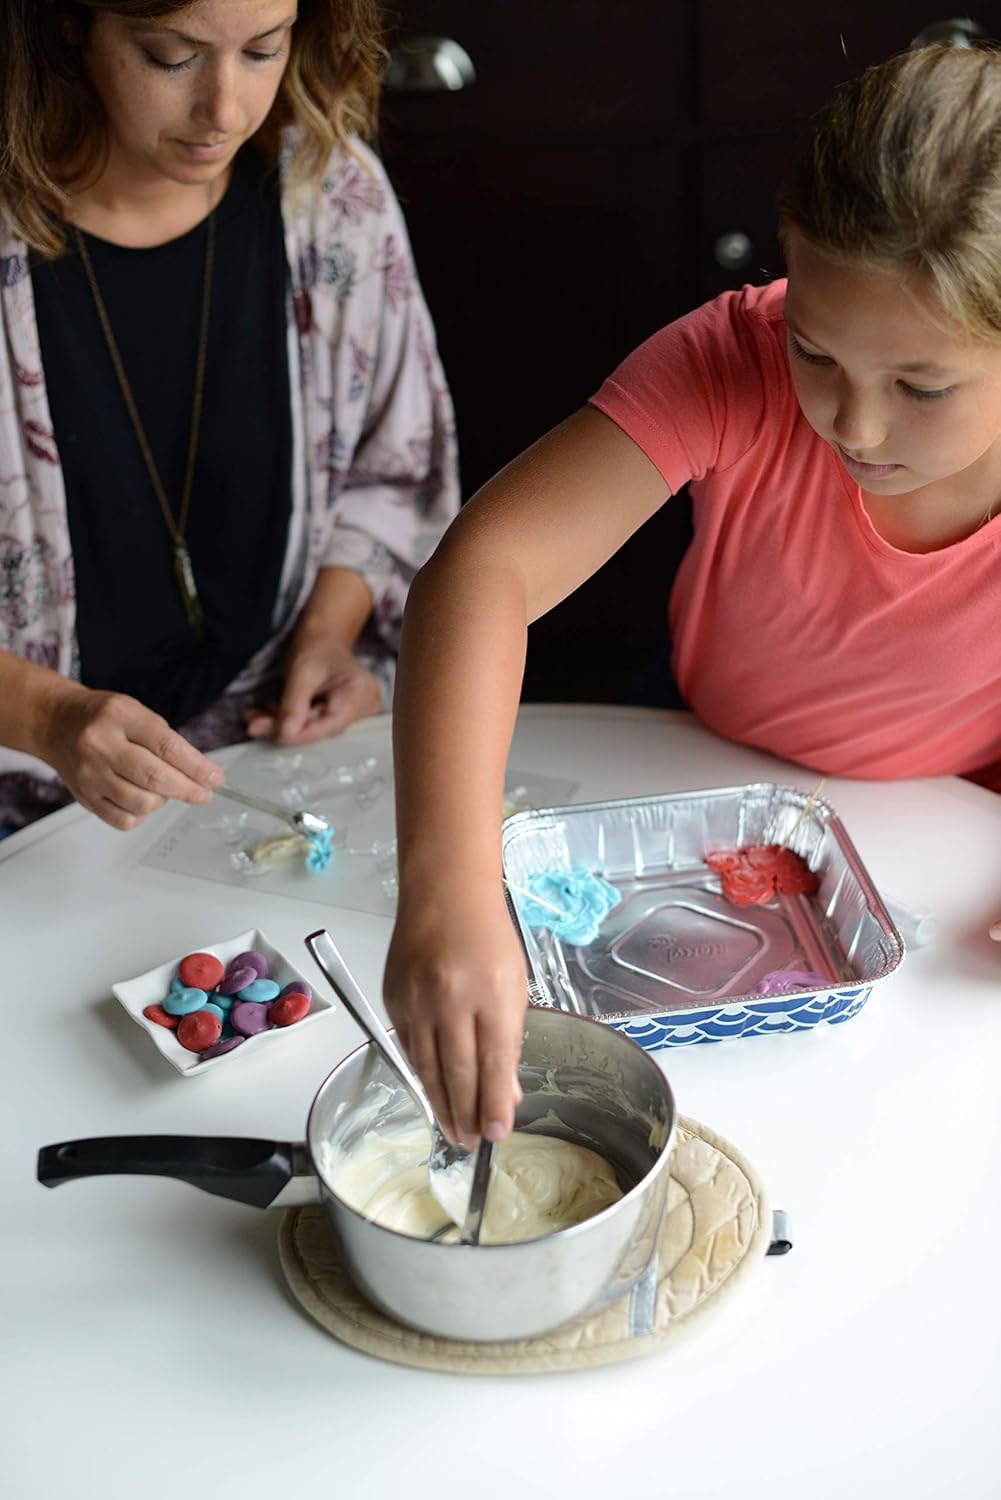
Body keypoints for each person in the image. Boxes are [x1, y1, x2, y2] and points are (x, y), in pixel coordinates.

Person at [383, 43, 1001, 1149]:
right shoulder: (734, 359)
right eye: (815, 353)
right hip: (696, 732)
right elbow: (481, 572)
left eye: (920, 387)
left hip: (950, 821)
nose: (852, 426)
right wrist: (445, 886)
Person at [0, 0, 458, 834]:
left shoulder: (332, 199)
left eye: (261, 50)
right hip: (17, 800)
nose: (225, 110)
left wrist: (329, 634)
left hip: (261, 770)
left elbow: (391, 473)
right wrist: (48, 716)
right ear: (71, 22)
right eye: (171, 57)